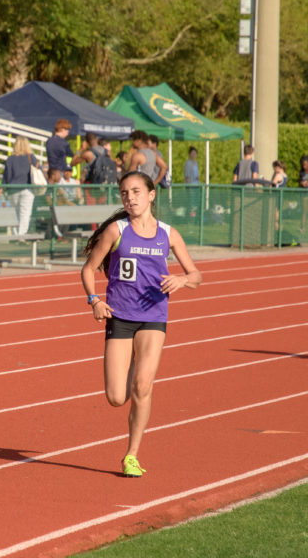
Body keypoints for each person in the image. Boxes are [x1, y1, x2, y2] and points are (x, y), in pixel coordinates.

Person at [79, 171, 202, 477]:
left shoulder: (168, 234)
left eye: (135, 191)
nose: (130, 198)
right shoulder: (116, 230)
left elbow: (196, 276)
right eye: (124, 193)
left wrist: (182, 279)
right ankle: (133, 365)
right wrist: (94, 300)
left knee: (143, 387)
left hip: (153, 316)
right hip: (120, 316)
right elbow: (88, 269)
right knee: (116, 397)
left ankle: (131, 455)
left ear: (151, 195)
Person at [3, 137, 41, 235]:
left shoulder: (10, 159)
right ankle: (21, 235)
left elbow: (7, 176)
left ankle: (14, 234)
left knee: (14, 213)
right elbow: (39, 169)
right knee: (25, 213)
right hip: (27, 189)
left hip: (13, 189)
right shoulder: (30, 157)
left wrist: (4, 189)